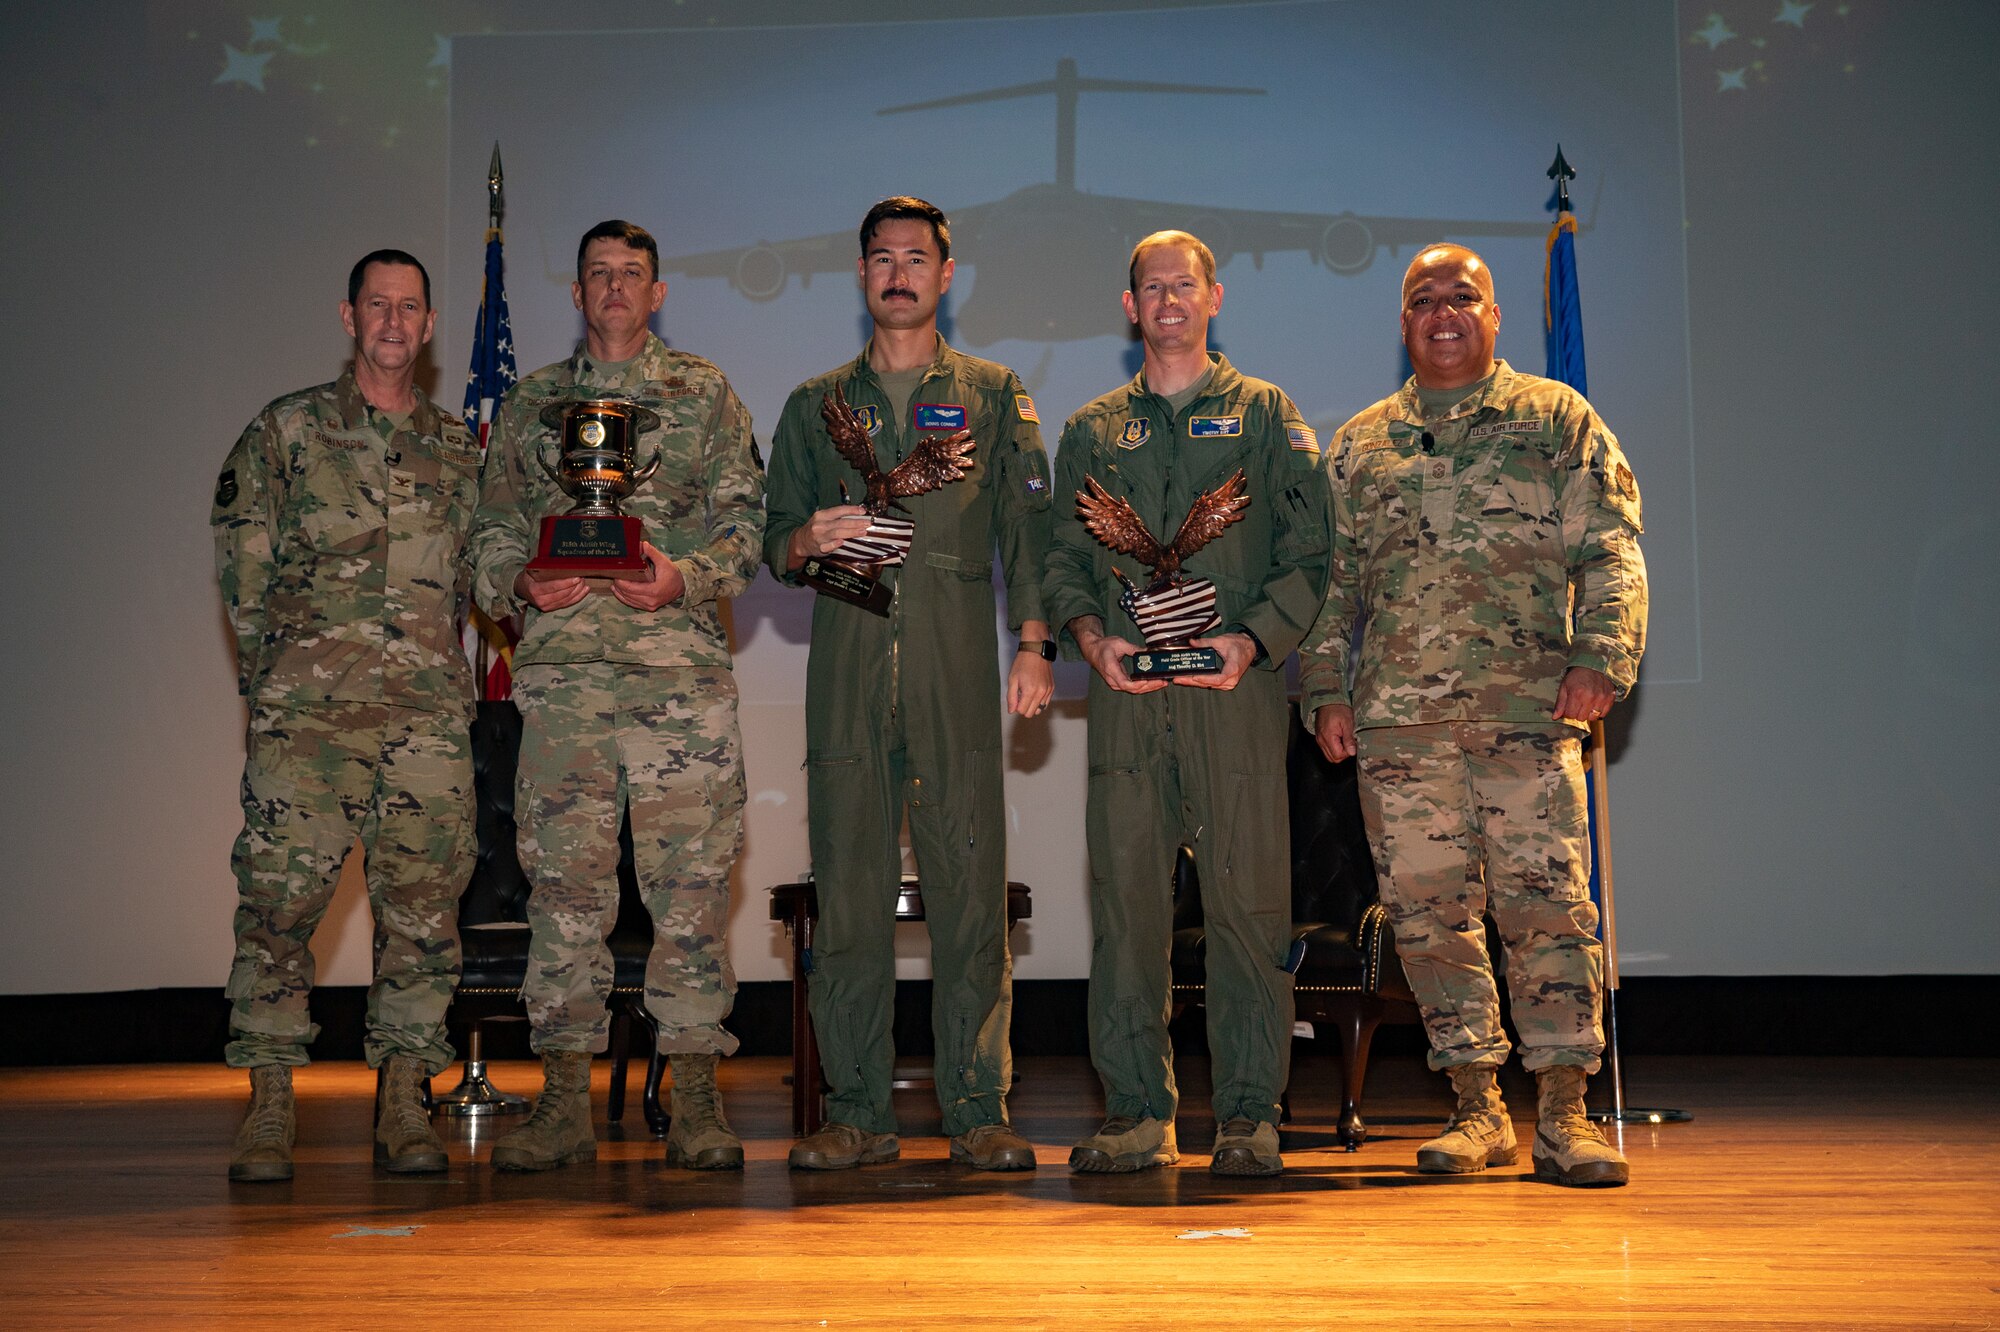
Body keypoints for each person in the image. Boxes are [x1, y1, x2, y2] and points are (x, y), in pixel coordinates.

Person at [1300, 243, 1647, 1187]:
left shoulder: (1554, 419)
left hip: (1529, 714)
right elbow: (1331, 585)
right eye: (1423, 300)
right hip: (1401, 730)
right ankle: (1477, 1109)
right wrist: (1324, 689)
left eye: (1464, 298)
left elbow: (1611, 551)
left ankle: (1568, 1116)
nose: (1443, 313)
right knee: (1428, 920)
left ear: (1495, 318)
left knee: (1547, 912)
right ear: (1403, 323)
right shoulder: (1364, 442)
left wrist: (1600, 661)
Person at [763, 197, 1054, 1171]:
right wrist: (805, 538)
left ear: (944, 273)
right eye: (880, 258)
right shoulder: (814, 407)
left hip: (953, 677)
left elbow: (1028, 535)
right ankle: (855, 1112)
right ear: (859, 276)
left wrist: (1035, 643)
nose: (897, 272)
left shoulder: (991, 391)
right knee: (847, 904)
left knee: (969, 898)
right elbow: (774, 540)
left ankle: (977, 1110)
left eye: (915, 257)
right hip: (847, 674)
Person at [468, 219, 765, 1172]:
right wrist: (520, 583)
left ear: (658, 290)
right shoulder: (534, 404)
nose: (614, 289)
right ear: (577, 292)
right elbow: (487, 531)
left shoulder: (704, 393)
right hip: (564, 684)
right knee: (565, 890)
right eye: (598, 274)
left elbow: (747, 525)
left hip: (679, 682)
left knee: (690, 891)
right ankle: (562, 1099)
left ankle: (698, 1096)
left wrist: (684, 576)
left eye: (632, 274)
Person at [1042, 230, 1329, 1176]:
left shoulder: (1264, 416)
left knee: (1249, 907)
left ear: (1215, 298)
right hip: (1128, 701)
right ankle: (1136, 1113)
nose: (1168, 300)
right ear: (1129, 307)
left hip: (1233, 699)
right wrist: (1090, 640)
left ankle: (1249, 1115)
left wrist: (1249, 643)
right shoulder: (1091, 430)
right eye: (1151, 287)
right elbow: (1064, 561)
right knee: (1127, 911)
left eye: (1185, 285)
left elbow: (1307, 558)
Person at [212, 250, 480, 1181]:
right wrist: (276, 682)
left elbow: (483, 577)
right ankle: (271, 1102)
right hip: (309, 723)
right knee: (281, 909)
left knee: (422, 914)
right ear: (348, 315)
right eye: (378, 305)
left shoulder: (460, 450)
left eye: (411, 307)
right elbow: (243, 568)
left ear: (431, 325)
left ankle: (405, 1100)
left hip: (425, 724)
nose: (394, 323)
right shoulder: (286, 431)